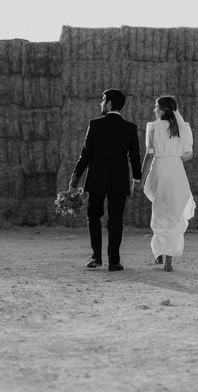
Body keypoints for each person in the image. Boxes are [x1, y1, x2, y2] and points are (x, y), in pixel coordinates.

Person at [69, 89, 141, 271]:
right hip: (119, 180)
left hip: (97, 179)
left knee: (93, 216)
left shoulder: (94, 125)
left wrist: (75, 178)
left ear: (109, 104)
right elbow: (135, 157)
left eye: (103, 100)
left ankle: (96, 258)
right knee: (115, 220)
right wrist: (137, 180)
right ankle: (114, 261)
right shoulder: (130, 128)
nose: (101, 104)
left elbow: (85, 155)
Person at [137, 96, 195, 272]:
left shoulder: (153, 127)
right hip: (176, 169)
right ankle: (169, 257)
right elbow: (189, 154)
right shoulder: (183, 127)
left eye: (156, 107)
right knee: (174, 212)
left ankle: (160, 252)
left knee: (160, 211)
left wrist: (140, 180)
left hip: (160, 169)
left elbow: (149, 155)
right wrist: (174, 158)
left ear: (161, 109)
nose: (154, 110)